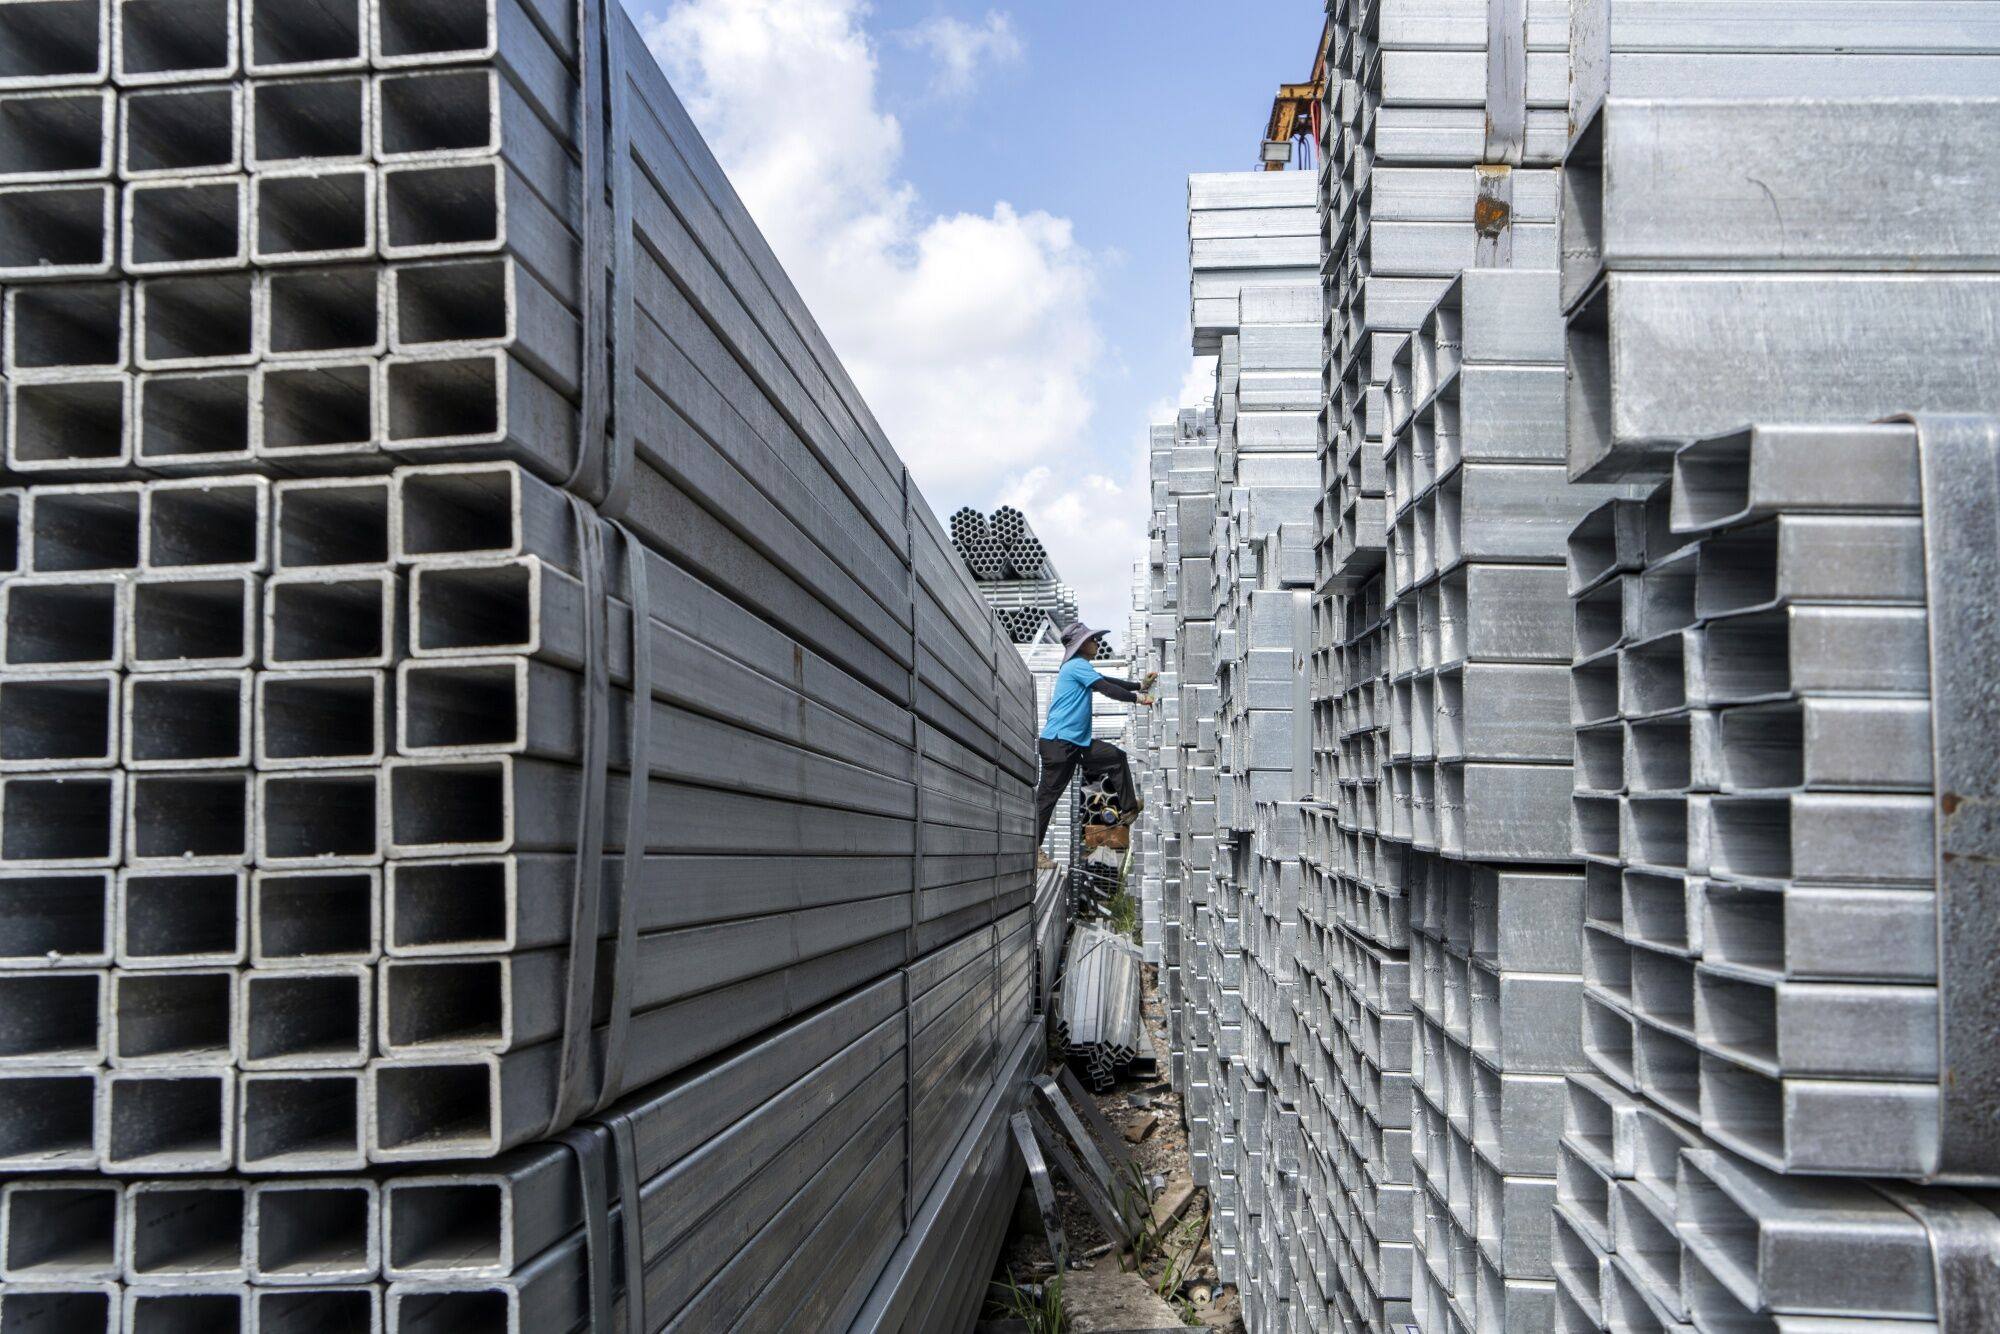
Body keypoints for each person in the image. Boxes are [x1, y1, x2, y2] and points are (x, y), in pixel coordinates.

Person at [1034, 619, 1157, 845]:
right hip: (1059, 744)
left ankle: (1129, 808)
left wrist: (1139, 686)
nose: (1097, 642)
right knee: (1046, 800)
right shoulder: (1075, 666)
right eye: (1092, 639)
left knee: (1115, 757)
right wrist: (1138, 699)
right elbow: (1106, 688)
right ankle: (1032, 850)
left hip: (1075, 744)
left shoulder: (1080, 668)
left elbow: (1107, 680)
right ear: (1080, 645)